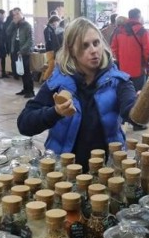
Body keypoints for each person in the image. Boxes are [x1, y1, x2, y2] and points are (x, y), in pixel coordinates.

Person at [17, 17, 139, 169]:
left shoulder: (118, 81)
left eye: (96, 43)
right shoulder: (57, 83)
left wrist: (143, 107)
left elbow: (132, 113)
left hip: (107, 171)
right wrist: (55, 112)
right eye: (85, 46)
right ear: (72, 50)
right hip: (65, 170)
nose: (94, 50)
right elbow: (24, 124)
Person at [111, 8, 149, 91]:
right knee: (138, 96)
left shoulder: (119, 30)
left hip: (122, 71)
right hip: (138, 71)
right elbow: (148, 51)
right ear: (139, 17)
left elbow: (113, 49)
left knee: (125, 95)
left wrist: (120, 62)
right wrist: (146, 64)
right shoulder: (142, 31)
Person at [7, 8, 34, 98]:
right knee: (20, 71)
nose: (16, 16)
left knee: (26, 71)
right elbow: (7, 33)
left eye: (17, 14)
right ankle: (25, 89)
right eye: (14, 15)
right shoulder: (15, 25)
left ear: (22, 14)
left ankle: (30, 91)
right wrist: (12, 23)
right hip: (15, 49)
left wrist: (22, 51)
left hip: (24, 51)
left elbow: (30, 40)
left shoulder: (27, 25)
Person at [41, 15, 62, 82]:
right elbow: (48, 40)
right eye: (57, 22)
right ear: (54, 21)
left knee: (53, 65)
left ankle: (50, 79)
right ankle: (44, 79)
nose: (58, 24)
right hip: (50, 49)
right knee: (51, 65)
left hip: (53, 49)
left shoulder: (52, 29)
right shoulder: (48, 29)